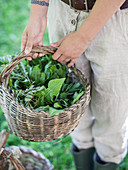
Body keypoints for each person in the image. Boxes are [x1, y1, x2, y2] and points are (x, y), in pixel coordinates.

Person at [21, 0, 128, 169]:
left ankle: (106, 160)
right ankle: (82, 156)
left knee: (111, 112)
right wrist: (38, 12)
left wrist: (83, 36)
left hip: (114, 17)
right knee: (73, 109)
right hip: (62, 10)